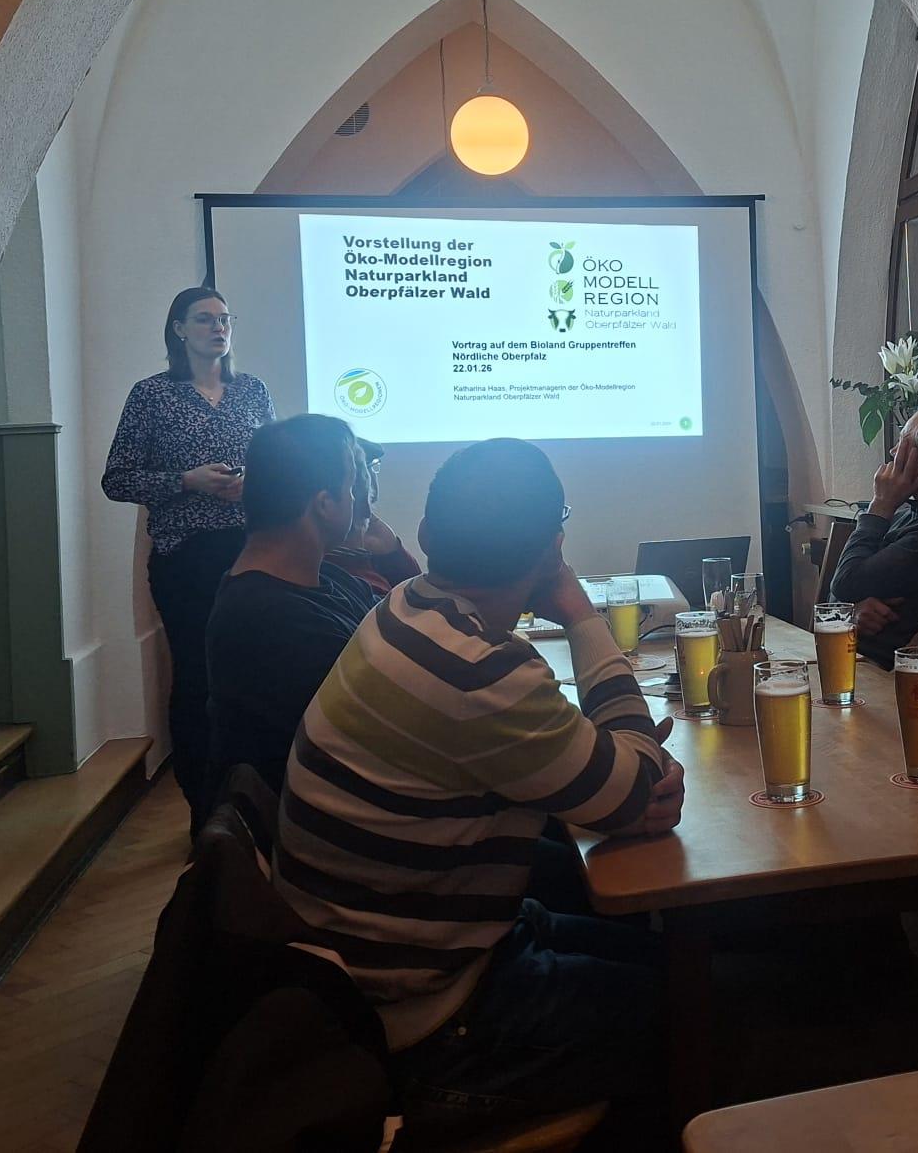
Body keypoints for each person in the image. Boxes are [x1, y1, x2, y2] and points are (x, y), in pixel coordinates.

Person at [273, 437, 683, 1137]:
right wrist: (579, 612)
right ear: (553, 548)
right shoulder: (479, 670)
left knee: (666, 955)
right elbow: (634, 791)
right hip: (429, 1023)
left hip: (373, 968)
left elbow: (616, 785)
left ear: (427, 535)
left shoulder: (404, 608)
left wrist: (616, 776)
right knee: (695, 1004)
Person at [102, 285, 274, 828]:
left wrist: (253, 482)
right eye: (204, 319)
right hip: (187, 560)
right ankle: (205, 809)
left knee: (254, 676)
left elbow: (276, 465)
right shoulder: (151, 396)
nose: (218, 328)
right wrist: (186, 480)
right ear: (178, 329)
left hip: (253, 553)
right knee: (199, 679)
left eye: (225, 319)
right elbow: (117, 479)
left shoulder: (252, 390)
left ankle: (257, 801)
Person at [204, 414, 378, 797]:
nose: (356, 499)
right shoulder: (269, 619)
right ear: (324, 504)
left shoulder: (326, 580)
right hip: (322, 816)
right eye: (351, 487)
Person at [829, 405, 918, 668]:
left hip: (890, 674)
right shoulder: (906, 512)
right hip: (856, 660)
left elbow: (844, 582)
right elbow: (835, 595)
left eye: (902, 442)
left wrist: (879, 506)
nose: (892, 451)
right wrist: (852, 611)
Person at [324, 437, 421, 597]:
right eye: (365, 473)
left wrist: (392, 551)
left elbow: (417, 593)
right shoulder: (347, 580)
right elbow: (417, 602)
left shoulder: (373, 544)